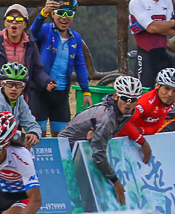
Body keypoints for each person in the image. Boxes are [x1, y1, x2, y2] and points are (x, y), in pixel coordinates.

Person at [60, 75, 147, 205]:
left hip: (83, 144)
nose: (128, 103)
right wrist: (115, 181)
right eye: (124, 98)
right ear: (116, 96)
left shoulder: (127, 111)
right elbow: (99, 155)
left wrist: (94, 134)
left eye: (133, 99)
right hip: (67, 148)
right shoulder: (107, 117)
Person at [30, 0, 92, 136]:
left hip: (61, 93)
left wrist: (86, 91)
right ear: (52, 14)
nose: (64, 17)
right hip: (40, 91)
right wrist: (42, 13)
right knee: (38, 136)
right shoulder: (46, 29)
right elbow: (34, 31)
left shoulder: (75, 37)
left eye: (69, 14)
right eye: (59, 13)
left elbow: (80, 65)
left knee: (62, 137)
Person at [0, 4, 53, 96]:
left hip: (22, 96)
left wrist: (47, 81)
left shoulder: (30, 45)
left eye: (19, 20)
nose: (14, 22)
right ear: (5, 22)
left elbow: (37, 71)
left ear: (25, 24)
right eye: (10, 19)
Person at [129, 0, 175, 89]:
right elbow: (152, 28)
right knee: (144, 93)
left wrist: (151, 26)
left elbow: (171, 32)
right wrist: (172, 22)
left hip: (162, 54)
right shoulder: (136, 2)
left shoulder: (167, 1)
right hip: (145, 55)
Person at [0, 63, 42, 147]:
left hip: (3, 142)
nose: (14, 88)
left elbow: (31, 123)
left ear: (23, 87)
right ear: (2, 83)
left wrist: (34, 134)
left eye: (18, 85)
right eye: (9, 84)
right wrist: (21, 136)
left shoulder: (20, 100)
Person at [117, 67, 175, 138]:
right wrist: (140, 140)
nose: (170, 94)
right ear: (158, 85)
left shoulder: (165, 102)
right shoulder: (145, 102)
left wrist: (141, 131)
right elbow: (123, 124)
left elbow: (155, 128)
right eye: (167, 88)